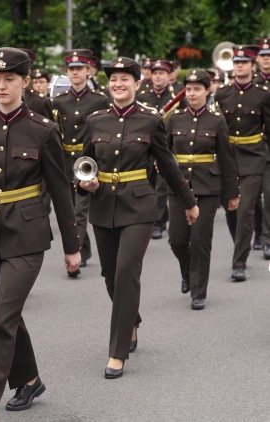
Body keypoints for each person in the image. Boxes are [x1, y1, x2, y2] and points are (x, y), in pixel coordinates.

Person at [0, 47, 81, 422]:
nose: (1, 86)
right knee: (1, 314)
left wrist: (72, 247)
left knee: (0, 319)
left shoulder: (44, 131)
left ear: (25, 82)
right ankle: (28, 379)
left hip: (27, 234)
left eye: (9, 79)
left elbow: (61, 191)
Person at [77, 56, 199, 379]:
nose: (118, 84)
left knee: (126, 270)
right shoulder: (95, 120)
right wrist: (83, 182)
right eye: (113, 80)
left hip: (140, 206)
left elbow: (167, 163)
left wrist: (188, 201)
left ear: (137, 83)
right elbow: (84, 164)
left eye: (125, 79)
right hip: (103, 204)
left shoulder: (150, 120)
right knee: (108, 275)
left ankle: (116, 352)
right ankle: (131, 320)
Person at [166, 69, 239, 310]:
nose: (192, 93)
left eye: (198, 89)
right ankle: (187, 271)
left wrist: (232, 192)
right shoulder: (174, 119)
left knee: (200, 241)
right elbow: (164, 155)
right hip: (179, 187)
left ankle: (198, 291)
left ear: (208, 91)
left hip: (207, 187)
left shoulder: (217, 121)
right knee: (176, 239)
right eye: (189, 89)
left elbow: (227, 159)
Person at [215, 44, 270, 281]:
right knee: (231, 210)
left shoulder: (263, 95)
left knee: (246, 208)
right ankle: (243, 242)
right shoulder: (222, 94)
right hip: (228, 157)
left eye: (244, 62)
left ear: (252, 65)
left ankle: (239, 262)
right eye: (236, 62)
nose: (239, 65)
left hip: (254, 156)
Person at [52, 49, 110, 275]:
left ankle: (74, 256)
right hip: (65, 161)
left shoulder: (99, 100)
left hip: (88, 162)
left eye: (79, 69)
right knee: (69, 210)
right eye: (71, 69)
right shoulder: (58, 101)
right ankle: (83, 250)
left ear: (89, 71)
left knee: (79, 211)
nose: (75, 73)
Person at [137, 59, 184, 240]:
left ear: (168, 76)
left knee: (161, 186)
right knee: (147, 183)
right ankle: (151, 218)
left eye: (161, 73)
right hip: (145, 144)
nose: (157, 76)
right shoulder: (142, 95)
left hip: (166, 144)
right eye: (155, 73)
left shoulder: (177, 96)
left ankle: (158, 223)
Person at [253, 37, 270, 260]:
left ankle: (267, 237)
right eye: (264, 56)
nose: (267, 60)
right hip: (254, 147)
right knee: (253, 197)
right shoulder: (250, 83)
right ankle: (257, 231)